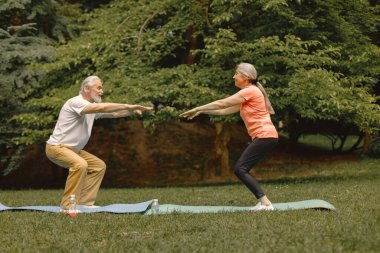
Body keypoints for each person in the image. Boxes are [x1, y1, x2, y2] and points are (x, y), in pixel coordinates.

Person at [180, 63, 278, 211]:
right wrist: (201, 112)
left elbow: (221, 103)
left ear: (246, 77)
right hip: (266, 136)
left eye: (236, 73)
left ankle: (266, 204)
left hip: (265, 135)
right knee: (241, 168)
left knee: (240, 169)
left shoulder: (250, 91)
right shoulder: (250, 94)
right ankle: (264, 202)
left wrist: (198, 108)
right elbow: (222, 111)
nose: (234, 76)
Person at [46, 76, 152, 212]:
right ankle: (67, 206)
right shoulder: (76, 102)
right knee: (80, 164)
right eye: (99, 87)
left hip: (73, 150)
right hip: (56, 148)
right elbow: (103, 107)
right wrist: (128, 106)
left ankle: (84, 203)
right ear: (87, 88)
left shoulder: (90, 107)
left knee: (98, 166)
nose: (101, 91)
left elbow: (112, 113)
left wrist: (131, 111)